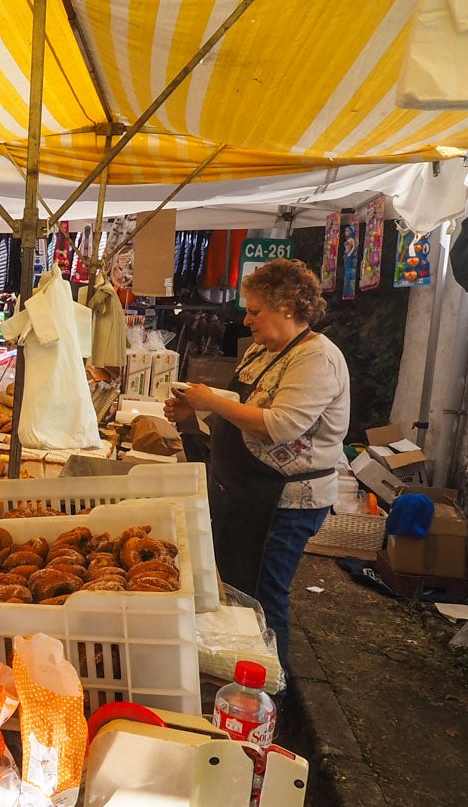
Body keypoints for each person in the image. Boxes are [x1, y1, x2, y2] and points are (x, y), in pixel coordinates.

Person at [165, 258, 349, 670]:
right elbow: (240, 412)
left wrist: (210, 401)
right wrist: (192, 416)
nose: (246, 320)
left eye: (254, 310)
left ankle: (269, 694)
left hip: (284, 501)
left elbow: (280, 426)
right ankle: (237, 670)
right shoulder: (263, 351)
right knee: (235, 589)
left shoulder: (316, 359)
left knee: (264, 595)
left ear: (287, 305)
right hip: (247, 493)